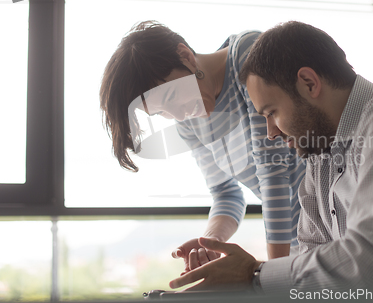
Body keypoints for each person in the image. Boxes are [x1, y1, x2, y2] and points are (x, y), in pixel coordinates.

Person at [169, 21, 373, 293]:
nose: (270, 131)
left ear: (309, 83)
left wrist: (255, 273)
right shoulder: (321, 159)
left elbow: (371, 262)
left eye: (271, 112)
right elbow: (317, 272)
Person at [99, 21, 306, 274]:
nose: (178, 114)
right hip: (297, 245)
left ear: (186, 56)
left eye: (171, 97)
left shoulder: (247, 56)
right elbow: (226, 194)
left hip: (336, 220)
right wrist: (209, 242)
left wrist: (277, 273)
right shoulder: (188, 125)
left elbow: (273, 173)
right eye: (161, 112)